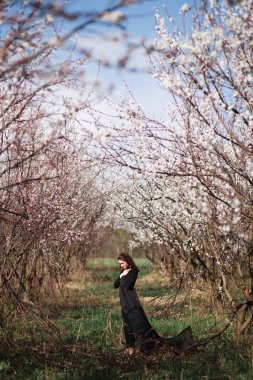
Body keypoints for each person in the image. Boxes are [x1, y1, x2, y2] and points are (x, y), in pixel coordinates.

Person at [114, 252, 195, 355]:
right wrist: (121, 274)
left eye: (123, 263)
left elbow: (129, 286)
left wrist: (125, 275)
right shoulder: (123, 272)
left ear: (128, 261)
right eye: (120, 264)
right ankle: (130, 348)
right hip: (124, 304)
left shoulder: (133, 271)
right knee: (127, 326)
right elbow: (115, 285)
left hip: (132, 304)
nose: (122, 265)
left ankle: (149, 346)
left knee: (140, 326)